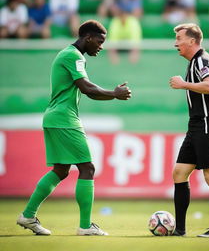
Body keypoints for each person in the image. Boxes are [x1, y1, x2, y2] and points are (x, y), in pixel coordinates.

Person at [16, 20, 132, 236]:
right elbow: (87, 88)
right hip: (64, 119)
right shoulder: (73, 56)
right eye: (99, 41)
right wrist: (113, 93)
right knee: (87, 168)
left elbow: (91, 92)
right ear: (88, 37)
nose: (101, 46)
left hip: (55, 117)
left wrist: (113, 96)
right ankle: (86, 226)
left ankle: (28, 216)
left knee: (61, 170)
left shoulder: (71, 55)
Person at [169, 23, 209, 237]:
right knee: (179, 173)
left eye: (179, 38)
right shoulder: (195, 61)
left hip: (208, 123)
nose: (176, 43)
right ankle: (180, 229)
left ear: (192, 41)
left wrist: (184, 84)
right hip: (196, 125)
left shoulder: (203, 59)